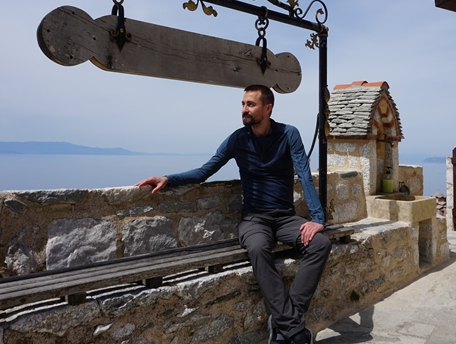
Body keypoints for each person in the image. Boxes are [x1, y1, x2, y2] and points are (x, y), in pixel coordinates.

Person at [135, 84, 330, 344]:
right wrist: (168, 178)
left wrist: (317, 220)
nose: (244, 109)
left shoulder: (288, 134)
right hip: (254, 219)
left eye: (250, 104)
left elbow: (304, 175)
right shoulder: (238, 139)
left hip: (285, 217)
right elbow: (205, 171)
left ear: (268, 108)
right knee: (258, 248)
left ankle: (284, 324)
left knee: (320, 244)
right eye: (243, 104)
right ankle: (295, 331)